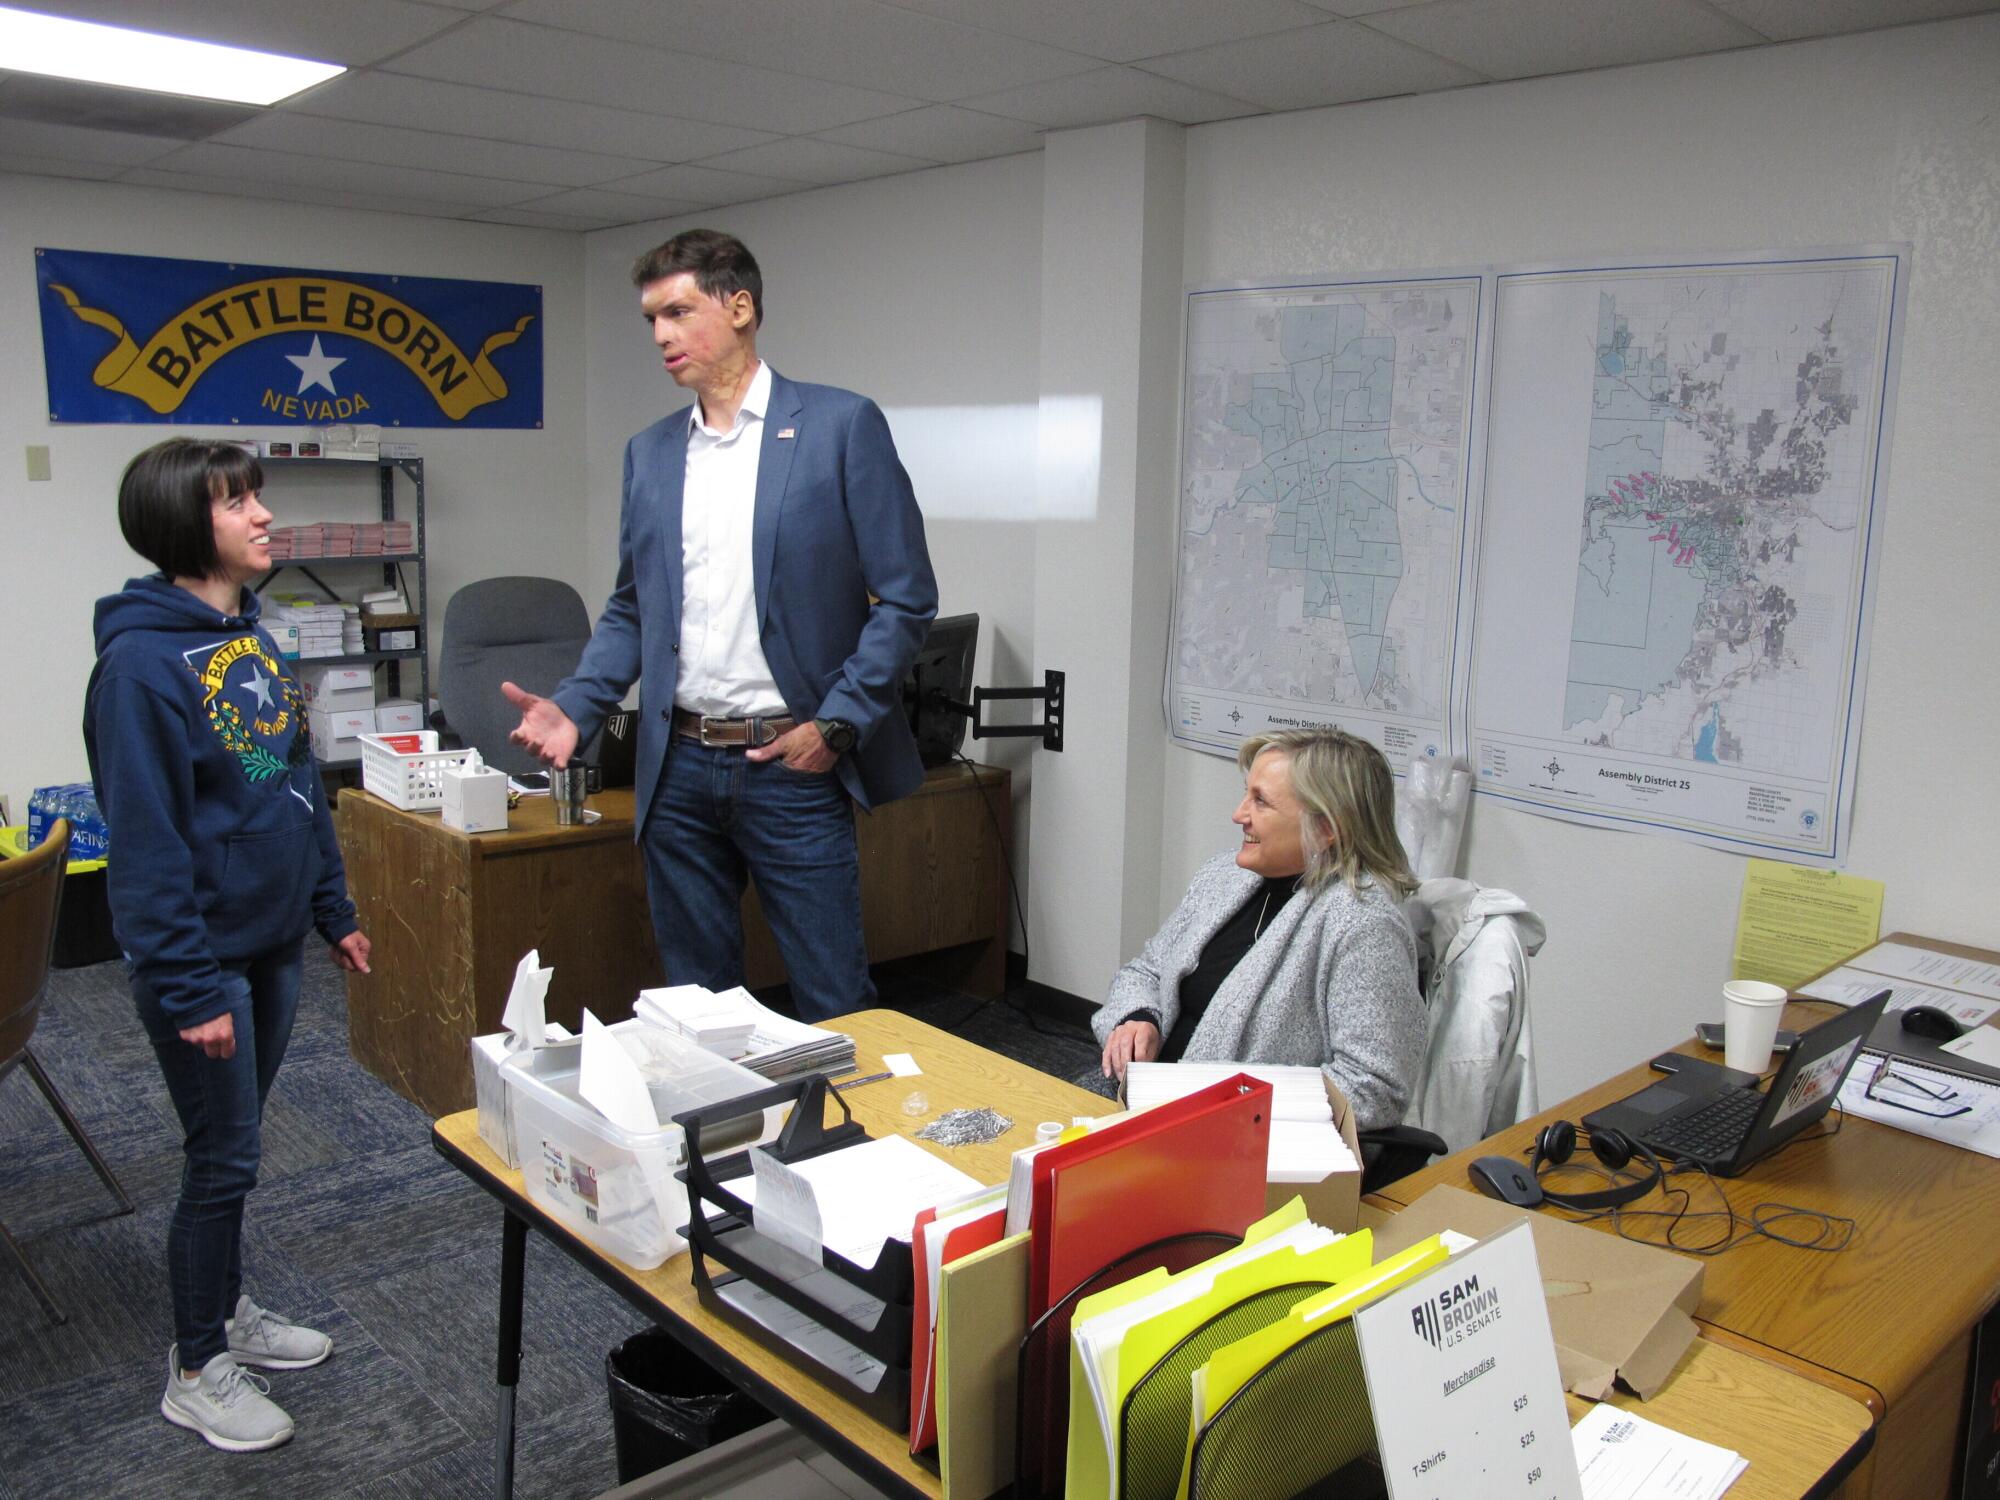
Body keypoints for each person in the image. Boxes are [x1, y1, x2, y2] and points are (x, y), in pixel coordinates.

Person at [504, 229, 937, 1022]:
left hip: (791, 767)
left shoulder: (841, 428)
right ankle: (719, 1148)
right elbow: (635, 605)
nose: (662, 335)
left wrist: (836, 725)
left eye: (678, 310)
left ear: (739, 307)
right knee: (694, 1008)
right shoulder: (653, 453)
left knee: (836, 1001)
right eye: (651, 319)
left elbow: (906, 600)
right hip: (678, 774)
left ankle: (844, 1148)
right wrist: (578, 704)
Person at [84, 438, 373, 1453]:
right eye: (237, 502)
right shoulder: (137, 670)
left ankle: (228, 1307)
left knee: (236, 1154)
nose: (262, 515)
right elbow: (148, 849)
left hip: (269, 944)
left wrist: (333, 910)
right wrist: (187, 984)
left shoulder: (249, 636)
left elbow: (296, 785)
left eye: (257, 495)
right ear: (182, 525)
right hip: (203, 965)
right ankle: (199, 1365)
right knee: (221, 1160)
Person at [1094, 729, 1424, 1130]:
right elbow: (1146, 970)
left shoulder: (1363, 924)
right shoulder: (1224, 876)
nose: (1239, 814)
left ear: (1326, 828)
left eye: (1261, 801)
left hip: (1236, 1137)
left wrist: (1231, 1098)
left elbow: (1375, 1087)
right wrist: (1138, 1017)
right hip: (1143, 1098)